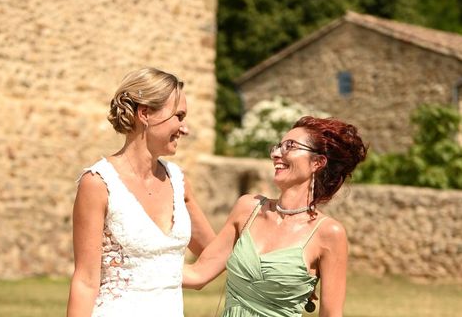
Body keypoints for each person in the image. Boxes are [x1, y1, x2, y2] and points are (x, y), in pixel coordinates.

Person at [183, 116, 368, 317]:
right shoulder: (248, 208)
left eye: (290, 146)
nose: (276, 154)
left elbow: (331, 314)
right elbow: (198, 275)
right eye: (278, 146)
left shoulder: (329, 233)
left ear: (317, 162)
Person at [66, 67, 215, 317]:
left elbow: (215, 254)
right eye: (178, 116)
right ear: (145, 113)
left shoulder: (178, 181)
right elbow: (85, 281)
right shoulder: (98, 183)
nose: (185, 128)